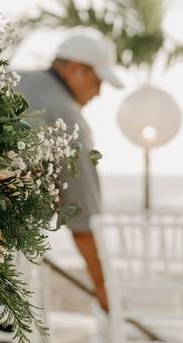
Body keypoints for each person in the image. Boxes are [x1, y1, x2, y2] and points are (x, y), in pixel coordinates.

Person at [15, 33, 124, 310]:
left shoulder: (10, 78)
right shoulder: (67, 118)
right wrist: (103, 288)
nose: (98, 93)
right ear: (76, 69)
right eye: (97, 82)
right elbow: (83, 217)